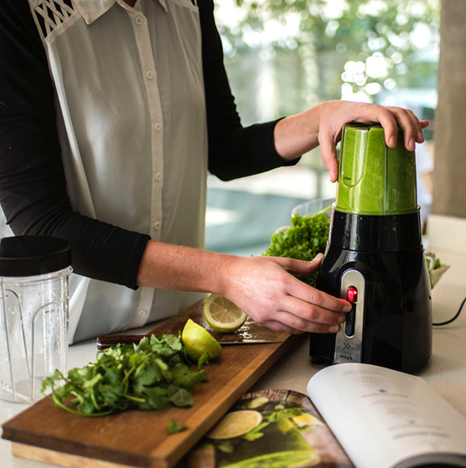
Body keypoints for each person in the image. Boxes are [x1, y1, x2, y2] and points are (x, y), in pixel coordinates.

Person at [0, 0, 428, 343]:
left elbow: (223, 148)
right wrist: (226, 274)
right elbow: (44, 226)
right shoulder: (20, 14)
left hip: (171, 330)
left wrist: (320, 118)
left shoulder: (191, 6)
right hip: (51, 343)